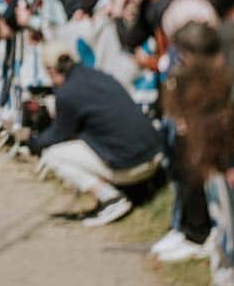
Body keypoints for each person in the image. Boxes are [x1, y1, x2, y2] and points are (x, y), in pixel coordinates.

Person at [29, 41, 163, 227]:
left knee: (52, 155)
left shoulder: (67, 93)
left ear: (51, 70)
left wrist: (32, 142)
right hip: (156, 156)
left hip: (132, 167)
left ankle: (112, 200)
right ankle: (138, 189)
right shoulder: (98, 75)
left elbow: (58, 135)